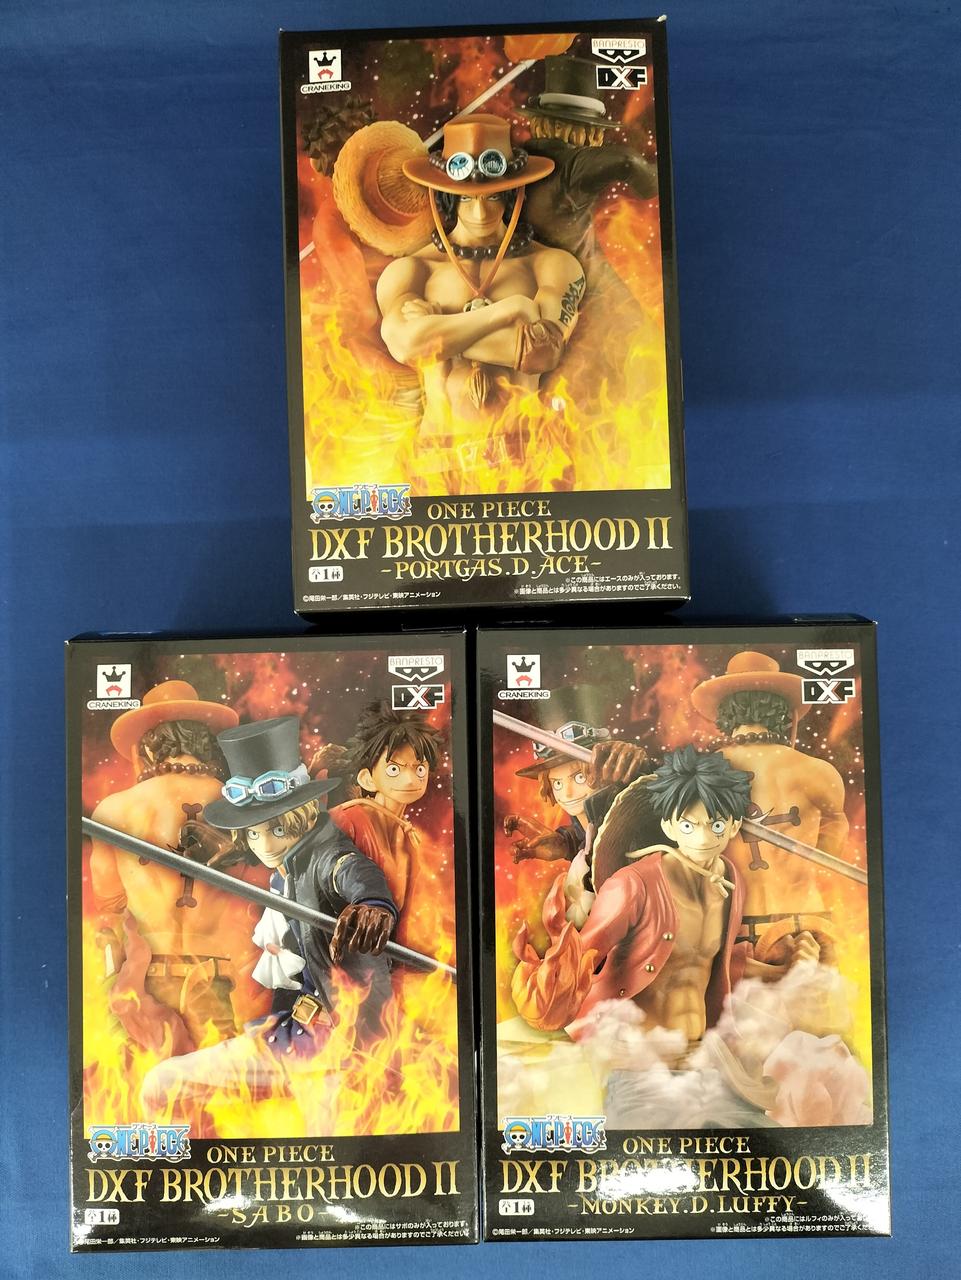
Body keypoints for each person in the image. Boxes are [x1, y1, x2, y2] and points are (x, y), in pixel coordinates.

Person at [140, 715, 398, 1120]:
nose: (264, 845)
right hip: (287, 1038)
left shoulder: (328, 857)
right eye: (253, 833)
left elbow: (352, 871)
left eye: (277, 830)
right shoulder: (285, 868)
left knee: (334, 1148)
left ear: (306, 815)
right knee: (163, 1084)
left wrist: (373, 905)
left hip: (337, 1053)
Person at [375, 114, 584, 463]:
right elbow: (407, 345)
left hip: (526, 458)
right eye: (467, 197)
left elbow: (542, 352)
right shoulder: (412, 270)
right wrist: (510, 310)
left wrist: (438, 332)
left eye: (493, 195)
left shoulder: (551, 264)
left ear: (513, 193)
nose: (481, 210)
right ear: (446, 196)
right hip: (438, 461)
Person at [89, 681, 266, 1057]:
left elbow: (109, 901)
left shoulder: (113, 810)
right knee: (211, 1086)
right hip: (213, 982)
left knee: (139, 1084)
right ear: (204, 740)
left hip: (143, 986)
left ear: (149, 745)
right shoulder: (242, 806)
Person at [691, 651, 849, 966]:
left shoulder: (701, 773)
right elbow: (832, 853)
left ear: (726, 712)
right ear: (783, 713)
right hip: (807, 926)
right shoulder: (819, 771)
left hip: (730, 928)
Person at [504, 717, 647, 926]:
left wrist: (643, 767)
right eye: (557, 783)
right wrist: (565, 843)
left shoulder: (632, 809)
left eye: (579, 777)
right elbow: (589, 836)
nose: (567, 793)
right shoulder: (587, 822)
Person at [326, 701, 441, 947]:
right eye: (394, 769)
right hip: (333, 954)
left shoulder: (410, 840)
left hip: (382, 959)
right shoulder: (346, 819)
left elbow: (405, 925)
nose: (410, 779)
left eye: (419, 769)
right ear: (367, 778)